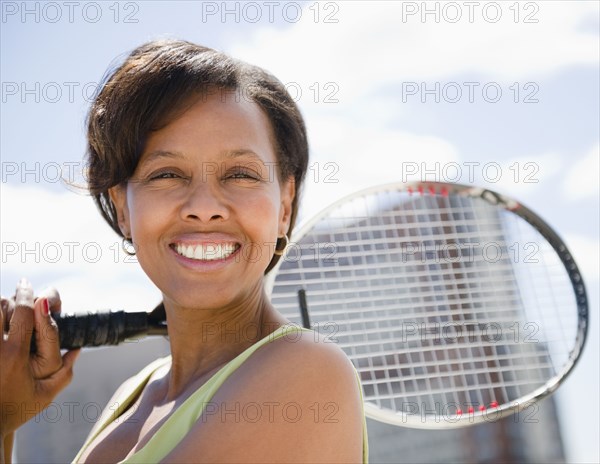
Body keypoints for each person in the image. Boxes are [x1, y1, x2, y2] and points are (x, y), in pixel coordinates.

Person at [0, 39, 368, 463]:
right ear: (122, 207)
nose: (204, 208)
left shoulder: (307, 374)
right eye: (168, 173)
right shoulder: (136, 393)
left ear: (283, 207)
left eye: (241, 174)